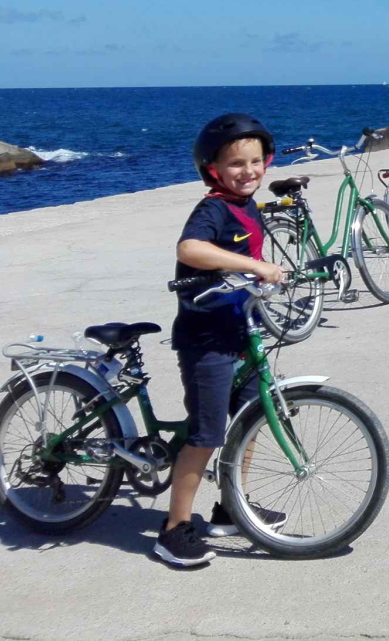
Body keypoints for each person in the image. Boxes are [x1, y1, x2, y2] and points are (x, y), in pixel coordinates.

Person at [154, 113, 287, 568]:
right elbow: (189, 249)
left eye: (256, 161)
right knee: (206, 434)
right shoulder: (212, 208)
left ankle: (231, 506)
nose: (248, 171)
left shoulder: (249, 205)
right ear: (213, 169)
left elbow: (246, 256)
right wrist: (254, 268)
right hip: (206, 338)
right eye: (236, 164)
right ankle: (174, 529)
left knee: (251, 419)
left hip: (240, 331)